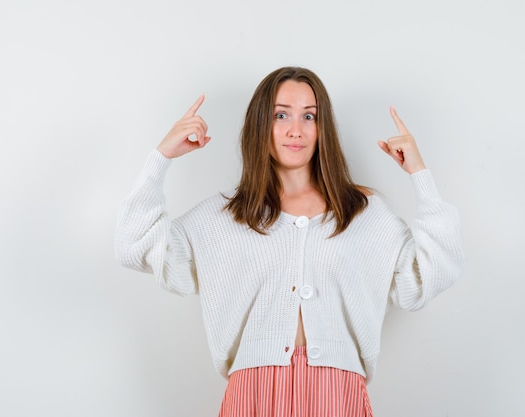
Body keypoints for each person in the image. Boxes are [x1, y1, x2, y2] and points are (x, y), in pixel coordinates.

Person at [114, 66, 464, 417]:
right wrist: (160, 158)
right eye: (281, 115)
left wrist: (421, 176)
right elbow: (134, 245)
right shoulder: (224, 216)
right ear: (260, 124)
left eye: (309, 116)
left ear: (322, 127)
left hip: (337, 396)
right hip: (253, 396)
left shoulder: (365, 213)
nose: (296, 130)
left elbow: (432, 274)